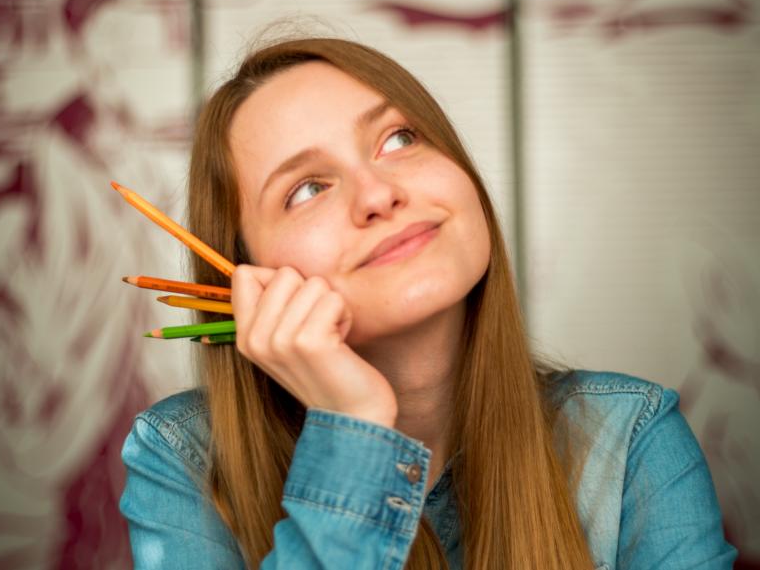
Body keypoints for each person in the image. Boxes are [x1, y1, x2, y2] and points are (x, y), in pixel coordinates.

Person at [118, 36, 737, 569]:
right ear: (245, 277)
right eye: (308, 188)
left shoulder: (631, 441)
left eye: (398, 139)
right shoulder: (183, 458)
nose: (379, 194)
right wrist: (353, 426)